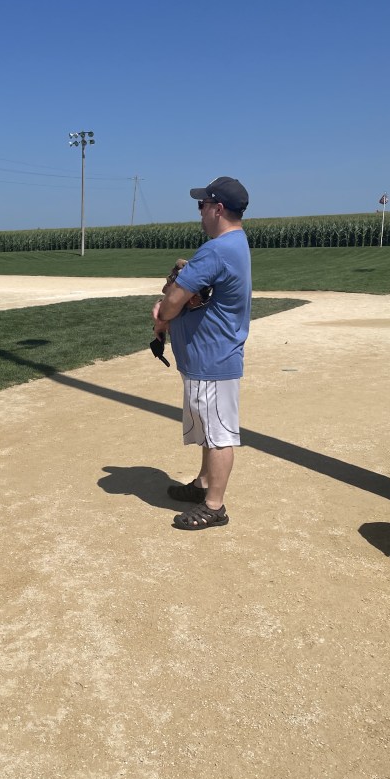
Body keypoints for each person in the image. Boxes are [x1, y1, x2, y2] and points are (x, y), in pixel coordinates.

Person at [152, 176, 252, 531]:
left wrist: (163, 313)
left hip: (213, 359)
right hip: (209, 357)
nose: (200, 212)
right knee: (210, 430)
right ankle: (203, 484)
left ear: (218, 209)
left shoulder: (216, 250)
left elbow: (173, 301)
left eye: (202, 205)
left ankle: (214, 506)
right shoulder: (235, 243)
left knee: (220, 435)